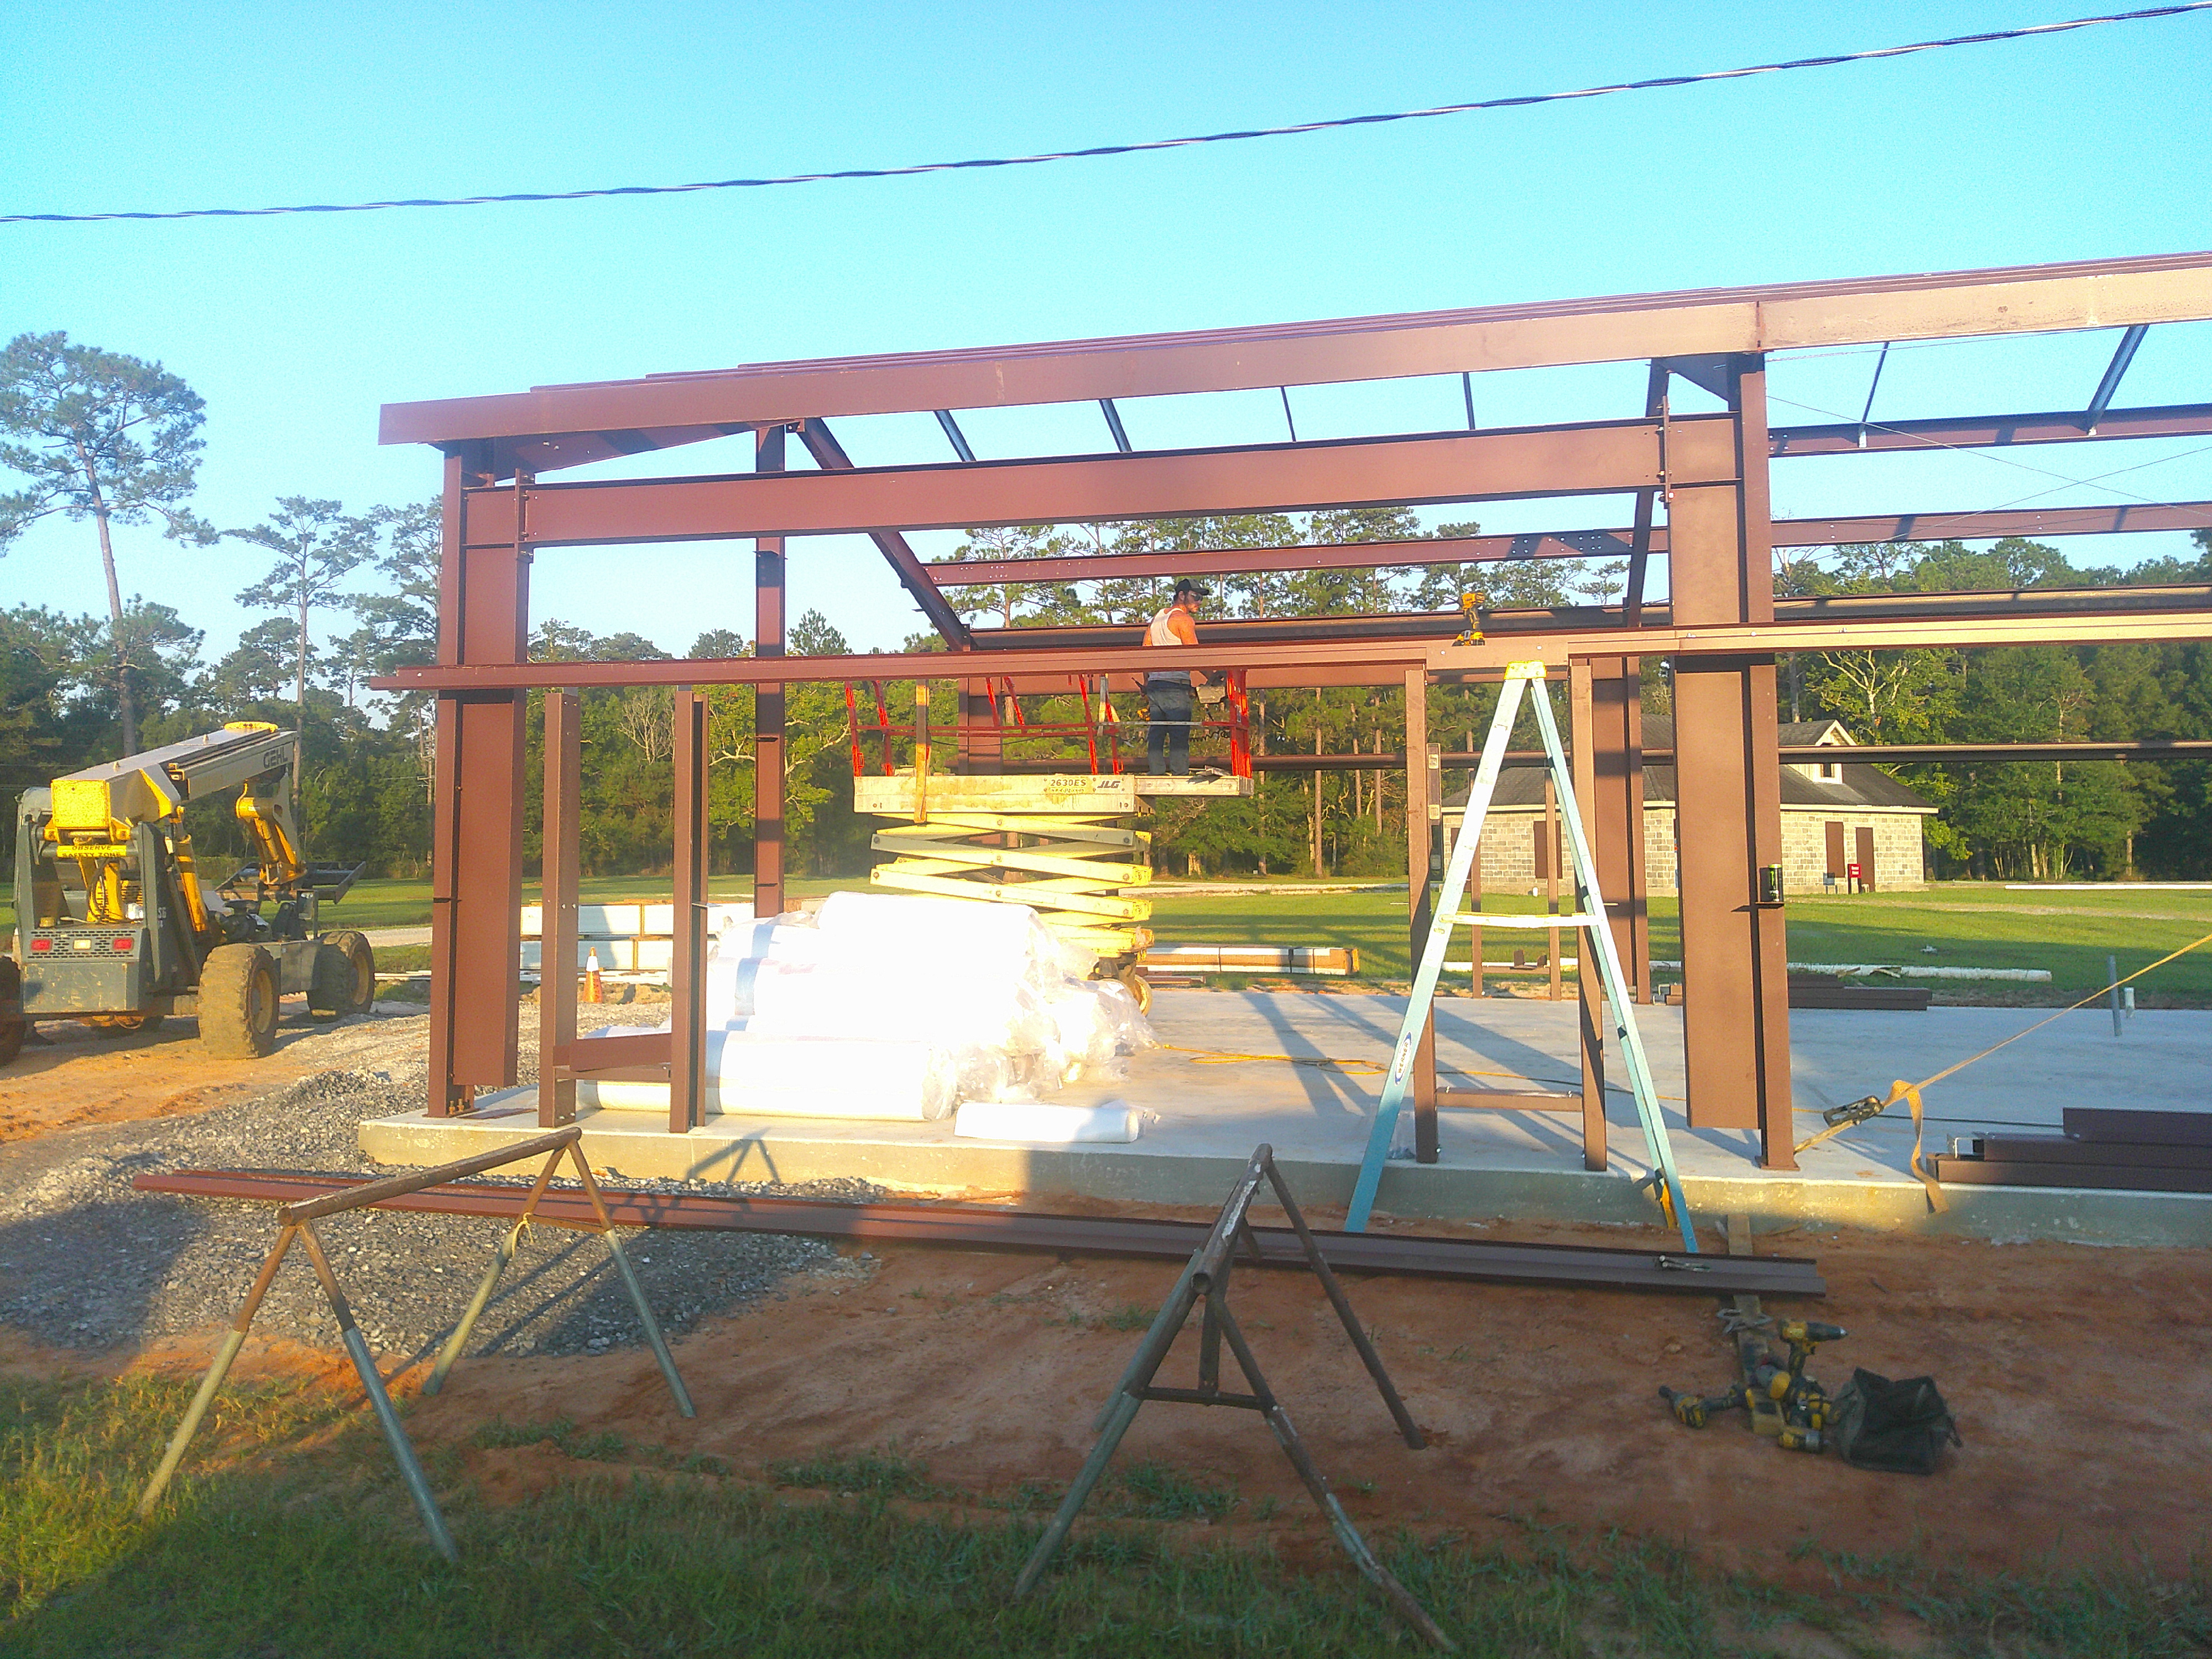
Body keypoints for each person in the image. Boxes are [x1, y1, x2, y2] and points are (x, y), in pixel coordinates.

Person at [1142, 580, 1209, 775]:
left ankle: (1156, 772)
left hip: (1155, 684)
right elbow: (1194, 654)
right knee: (1179, 732)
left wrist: (1147, 682)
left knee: (1157, 731)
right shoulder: (1184, 620)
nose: (1199, 602)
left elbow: (1145, 650)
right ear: (1182, 595)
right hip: (1175, 685)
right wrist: (1214, 675)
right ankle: (1180, 774)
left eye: (1201, 598)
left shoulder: (1157, 618)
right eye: (1196, 597)